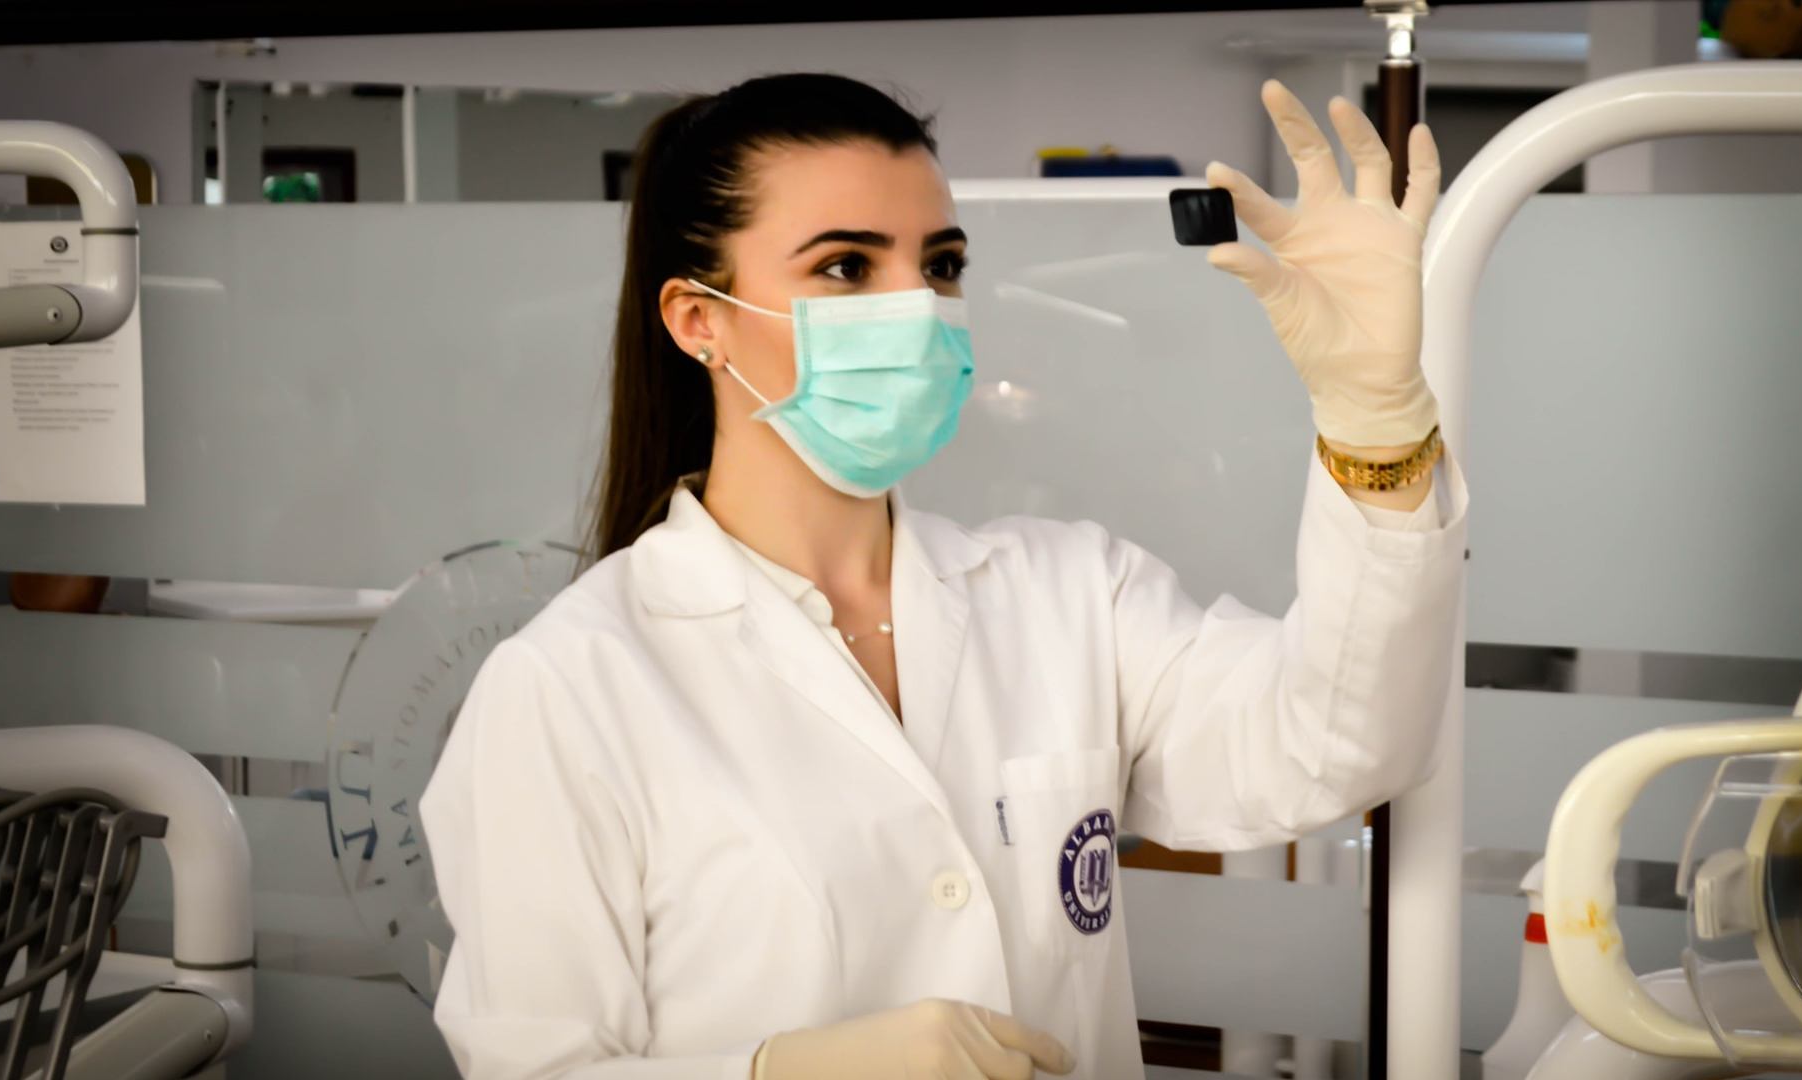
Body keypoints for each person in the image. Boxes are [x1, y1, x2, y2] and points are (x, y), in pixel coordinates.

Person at [420, 72, 1468, 1080]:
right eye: (845, 268)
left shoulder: (1069, 594)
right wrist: (777, 1074)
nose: (917, 308)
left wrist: (1373, 422)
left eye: (941, 262)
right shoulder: (570, 687)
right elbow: (537, 1064)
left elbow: (1339, 743)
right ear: (699, 319)